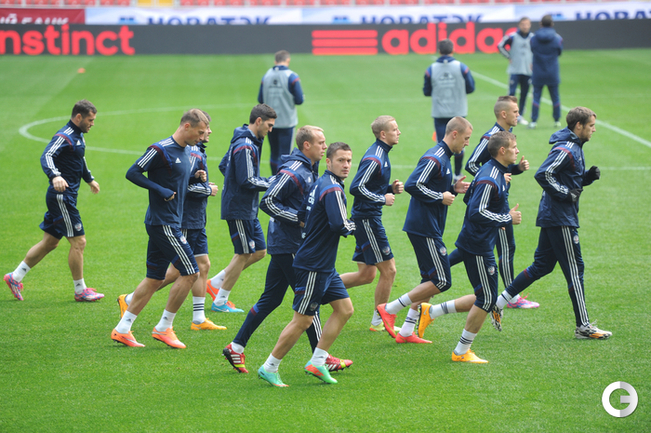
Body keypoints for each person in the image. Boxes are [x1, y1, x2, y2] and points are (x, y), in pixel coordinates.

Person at [223, 126, 352, 375]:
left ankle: (236, 346)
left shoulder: (309, 167)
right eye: (321, 143)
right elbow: (269, 201)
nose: (325, 147)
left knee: (271, 298)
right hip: (290, 244)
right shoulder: (295, 170)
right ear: (307, 145)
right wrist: (301, 220)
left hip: (287, 244)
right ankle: (320, 358)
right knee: (308, 305)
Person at [491, 107, 612, 340]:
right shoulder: (567, 148)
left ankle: (498, 303)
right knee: (575, 270)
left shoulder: (574, 146)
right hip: (560, 218)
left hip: (555, 215)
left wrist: (586, 178)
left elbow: (565, 178)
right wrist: (566, 194)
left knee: (542, 266)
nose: (594, 130)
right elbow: (544, 174)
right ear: (578, 126)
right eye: (591, 126)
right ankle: (583, 326)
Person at [257, 142, 356, 387]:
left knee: (344, 309)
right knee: (303, 320)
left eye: (348, 160)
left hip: (324, 264)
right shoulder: (332, 188)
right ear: (328, 162)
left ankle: (318, 361)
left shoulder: (320, 183)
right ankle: (269, 367)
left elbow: (302, 214)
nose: (346, 165)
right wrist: (359, 224)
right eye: (341, 160)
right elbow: (340, 225)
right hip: (314, 265)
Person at [117, 112, 226, 332]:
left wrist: (197, 178)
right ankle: (164, 327)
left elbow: (179, 182)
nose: (203, 136)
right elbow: (133, 172)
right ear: (187, 126)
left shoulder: (187, 150)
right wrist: (160, 190)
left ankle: (122, 328)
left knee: (155, 278)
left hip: (172, 221)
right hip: (164, 222)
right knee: (190, 272)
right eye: (200, 132)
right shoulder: (160, 149)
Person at [429, 131, 522, 364]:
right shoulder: (490, 176)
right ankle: (461, 351)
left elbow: (469, 199)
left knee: (485, 296)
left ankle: (430, 312)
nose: (517, 151)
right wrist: (505, 218)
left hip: (478, 240)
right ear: (502, 151)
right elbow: (475, 211)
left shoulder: (494, 172)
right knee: (487, 299)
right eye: (514, 147)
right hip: (478, 245)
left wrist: (498, 216)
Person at [376, 117, 471, 344]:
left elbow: (433, 186)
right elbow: (413, 184)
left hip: (428, 225)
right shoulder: (435, 157)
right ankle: (389, 309)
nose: (467, 143)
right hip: (424, 227)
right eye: (466, 138)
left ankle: (406, 331)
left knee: (429, 279)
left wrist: (452, 189)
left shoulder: (444, 157)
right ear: (455, 134)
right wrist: (440, 196)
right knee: (441, 280)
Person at [4, 100, 104, 303]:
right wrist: (55, 175)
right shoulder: (64, 136)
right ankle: (80, 290)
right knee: (79, 242)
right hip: (62, 197)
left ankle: (15, 277)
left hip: (64, 197)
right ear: (79, 117)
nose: (92, 123)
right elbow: (47, 155)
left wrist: (89, 179)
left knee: (50, 242)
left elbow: (80, 158)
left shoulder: (78, 136)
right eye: (90, 120)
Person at [462, 95, 537, 309]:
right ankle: (511, 297)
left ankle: (435, 276)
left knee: (498, 247)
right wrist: (494, 178)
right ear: (504, 114)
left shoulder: (506, 137)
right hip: (492, 204)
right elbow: (472, 164)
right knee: (505, 248)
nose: (518, 115)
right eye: (515, 112)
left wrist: (516, 169)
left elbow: (501, 167)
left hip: (498, 200)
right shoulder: (490, 138)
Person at [206, 104, 276, 313]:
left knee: (260, 251)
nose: (271, 130)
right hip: (239, 208)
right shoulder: (245, 145)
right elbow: (247, 180)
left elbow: (224, 165)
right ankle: (220, 301)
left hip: (247, 207)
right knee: (244, 252)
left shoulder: (247, 140)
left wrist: (232, 180)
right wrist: (273, 183)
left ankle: (215, 283)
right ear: (258, 121)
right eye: (269, 125)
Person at [339, 116, 404, 333]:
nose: (399, 132)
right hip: (367, 220)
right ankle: (379, 321)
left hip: (367, 217)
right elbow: (356, 187)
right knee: (389, 270)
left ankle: (320, 288)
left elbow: (369, 186)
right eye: (394, 129)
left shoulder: (381, 153)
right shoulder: (375, 157)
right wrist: (381, 198)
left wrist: (389, 189)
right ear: (383, 134)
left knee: (366, 275)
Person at [423, 39, 475, 181]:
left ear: (439, 51)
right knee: (460, 143)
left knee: (442, 144)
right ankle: (457, 174)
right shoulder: (462, 67)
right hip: (458, 111)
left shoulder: (431, 69)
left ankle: (443, 174)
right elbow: (471, 87)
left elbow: (426, 91)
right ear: (453, 50)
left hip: (440, 112)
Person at [258, 50, 305, 175]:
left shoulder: (266, 75)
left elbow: (260, 99)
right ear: (288, 60)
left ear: (275, 61)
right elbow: (299, 100)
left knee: (274, 153)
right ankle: (282, 180)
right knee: (285, 155)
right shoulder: (292, 76)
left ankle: (274, 177)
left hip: (269, 122)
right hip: (286, 122)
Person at [528, 14, 563, 129]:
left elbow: (532, 49)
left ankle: (533, 121)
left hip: (538, 71)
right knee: (555, 97)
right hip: (552, 71)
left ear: (540, 24)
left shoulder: (533, 38)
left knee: (536, 97)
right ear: (552, 24)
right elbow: (559, 52)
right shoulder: (557, 38)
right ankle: (557, 120)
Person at [497, 17, 533, 126]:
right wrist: (508, 56)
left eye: (527, 24)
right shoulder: (512, 36)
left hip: (527, 71)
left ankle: (519, 116)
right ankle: (508, 115)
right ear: (519, 25)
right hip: (515, 70)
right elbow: (500, 45)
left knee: (524, 94)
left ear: (530, 25)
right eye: (523, 24)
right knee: (511, 94)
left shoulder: (533, 38)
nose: (525, 26)